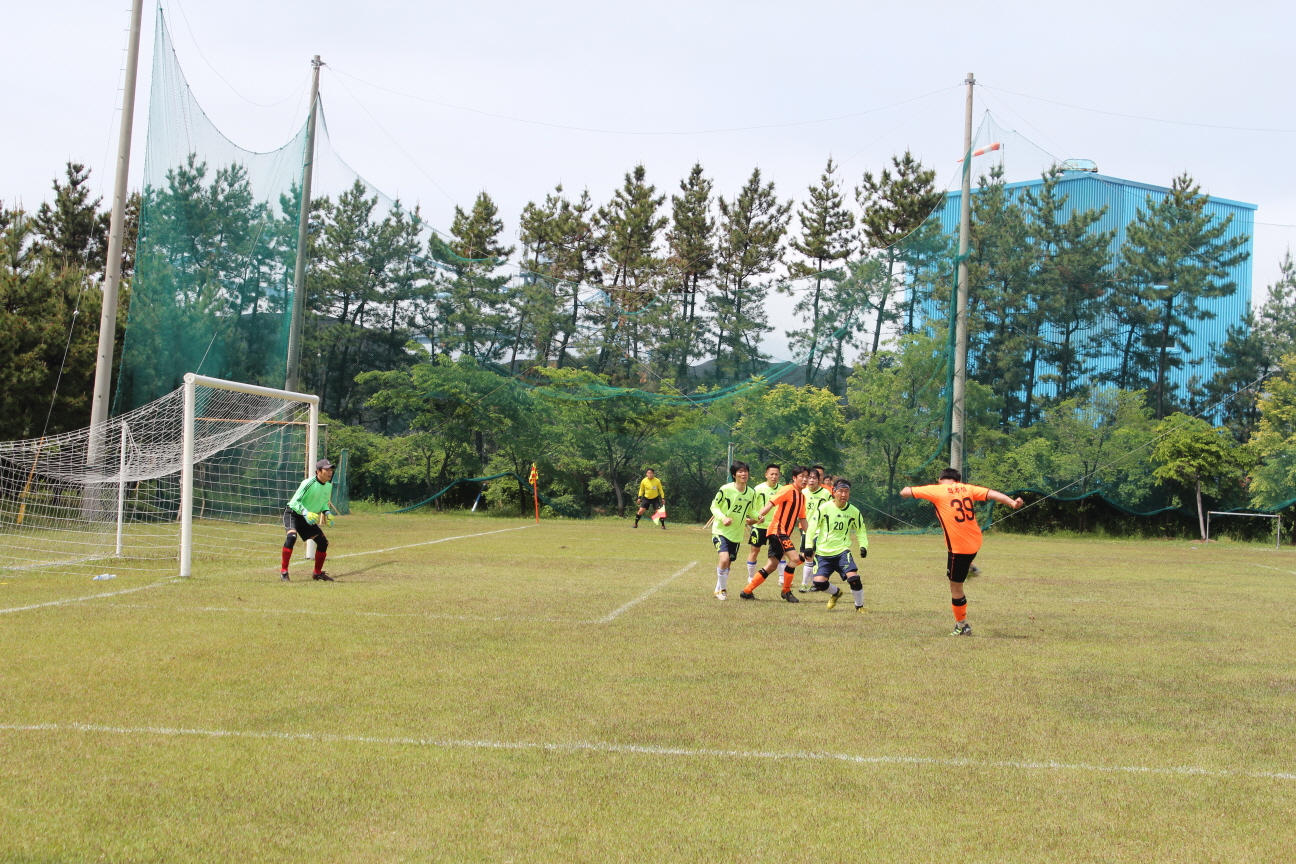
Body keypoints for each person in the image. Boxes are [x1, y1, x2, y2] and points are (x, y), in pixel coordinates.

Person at [900, 467, 1024, 635]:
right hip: (975, 541)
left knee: (956, 588)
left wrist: (916, 489)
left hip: (959, 549)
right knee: (963, 559)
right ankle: (970, 566)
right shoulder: (968, 488)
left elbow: (904, 491)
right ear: (957, 480)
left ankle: (962, 625)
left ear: (940, 479)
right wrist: (1012, 502)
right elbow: (993, 494)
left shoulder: (937, 490)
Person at [740, 465, 810, 603]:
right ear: (794, 478)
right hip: (778, 530)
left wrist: (811, 536)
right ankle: (786, 591)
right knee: (795, 559)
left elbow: (802, 519)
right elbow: (770, 504)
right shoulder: (787, 490)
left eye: (807, 476)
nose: (805, 479)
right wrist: (755, 518)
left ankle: (747, 591)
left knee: (772, 565)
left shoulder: (801, 496)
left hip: (784, 533)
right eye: (801, 476)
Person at [810, 479, 869, 613]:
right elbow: (812, 527)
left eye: (846, 491)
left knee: (853, 578)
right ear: (834, 492)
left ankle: (859, 606)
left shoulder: (854, 511)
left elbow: (861, 530)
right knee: (819, 583)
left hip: (842, 551)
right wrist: (808, 545)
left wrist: (863, 545)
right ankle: (836, 593)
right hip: (822, 553)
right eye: (840, 491)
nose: (843, 494)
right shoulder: (824, 508)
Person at [282, 458, 338, 582]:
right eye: (326, 469)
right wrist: (305, 512)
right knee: (291, 537)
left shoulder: (328, 486)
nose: (330, 472)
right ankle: (284, 572)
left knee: (323, 543)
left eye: (331, 470)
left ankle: (317, 573)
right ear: (318, 471)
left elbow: (323, 502)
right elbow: (294, 501)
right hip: (294, 514)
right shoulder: (308, 483)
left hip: (308, 518)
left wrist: (327, 512)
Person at [710, 461, 755, 601]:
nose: (744, 474)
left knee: (728, 563)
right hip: (721, 531)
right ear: (734, 474)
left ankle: (718, 587)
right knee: (724, 559)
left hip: (736, 534)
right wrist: (723, 518)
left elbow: (751, 510)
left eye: (745, 471)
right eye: (740, 471)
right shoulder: (725, 489)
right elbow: (714, 506)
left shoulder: (751, 492)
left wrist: (757, 516)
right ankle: (722, 590)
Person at [798, 466, 833, 591]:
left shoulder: (826, 493)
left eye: (814, 478)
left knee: (814, 555)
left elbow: (831, 510)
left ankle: (811, 583)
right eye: (809, 478)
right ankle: (806, 583)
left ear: (819, 480)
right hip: (806, 529)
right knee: (807, 555)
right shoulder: (803, 493)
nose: (811, 480)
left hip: (820, 530)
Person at [745, 464, 783, 579]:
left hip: (775, 526)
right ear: (766, 475)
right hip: (759, 525)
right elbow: (751, 506)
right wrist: (752, 518)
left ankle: (782, 578)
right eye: (771, 474)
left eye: (776, 474)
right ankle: (751, 577)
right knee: (755, 550)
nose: (774, 476)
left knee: (780, 552)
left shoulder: (782, 489)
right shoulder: (758, 488)